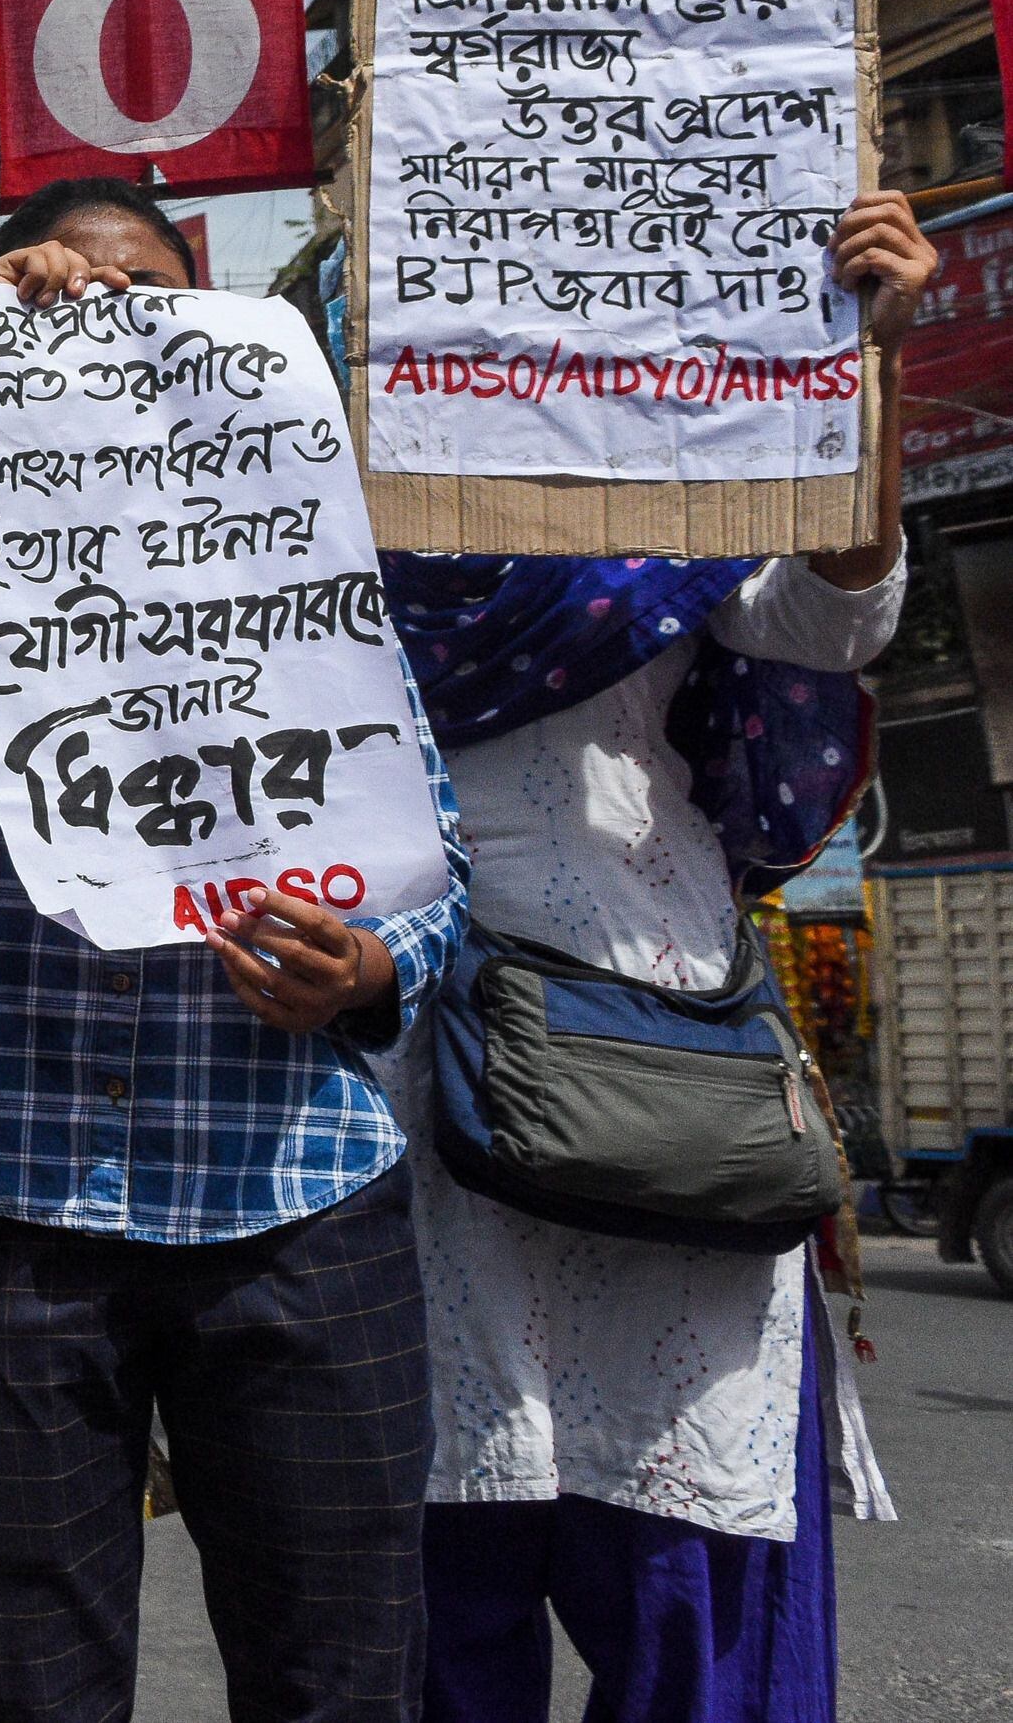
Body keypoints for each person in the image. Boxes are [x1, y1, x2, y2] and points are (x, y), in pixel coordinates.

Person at [0, 175, 471, 1723]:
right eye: (71, 296)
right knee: (24, 1675)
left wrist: (371, 968)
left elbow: (430, 865)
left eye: (149, 303)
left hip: (291, 1191)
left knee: (343, 1668)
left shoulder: (300, 552)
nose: (105, 326)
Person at [389, 193, 931, 1723]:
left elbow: (838, 617)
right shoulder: (329, 503)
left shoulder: (676, 491)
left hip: (659, 1030)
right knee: (433, 1558)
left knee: (685, 1557)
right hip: (401, 1042)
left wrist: (859, 369)